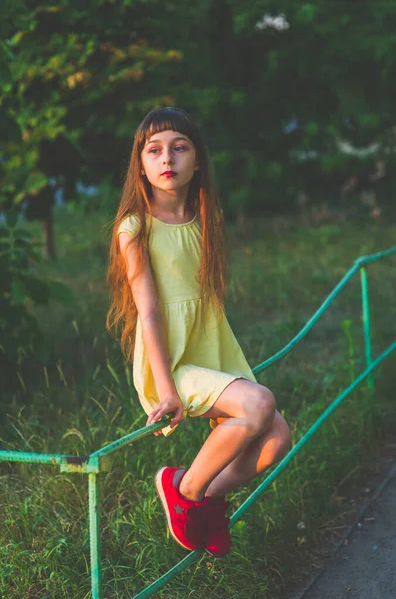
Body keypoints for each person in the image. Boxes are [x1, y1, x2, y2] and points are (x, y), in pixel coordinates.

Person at [106, 106, 291, 558]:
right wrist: (166, 389)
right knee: (259, 403)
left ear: (198, 161)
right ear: (141, 164)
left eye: (179, 147)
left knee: (276, 441)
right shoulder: (134, 227)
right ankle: (183, 490)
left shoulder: (204, 215)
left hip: (211, 349)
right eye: (154, 150)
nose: (167, 158)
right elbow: (148, 311)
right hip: (170, 360)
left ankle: (206, 498)